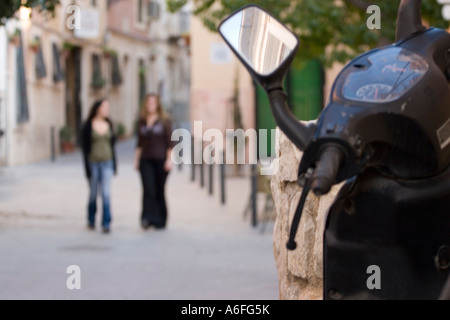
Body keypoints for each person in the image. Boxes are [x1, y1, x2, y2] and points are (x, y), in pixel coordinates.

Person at [135, 94, 173, 230]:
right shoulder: (142, 120)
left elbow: (170, 142)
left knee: (159, 190)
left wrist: (169, 160)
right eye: (148, 102)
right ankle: (147, 218)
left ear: (158, 104)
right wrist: (136, 160)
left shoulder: (164, 120)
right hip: (145, 159)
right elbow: (139, 142)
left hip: (161, 160)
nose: (150, 104)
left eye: (153, 102)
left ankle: (160, 219)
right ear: (145, 104)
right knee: (147, 189)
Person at [81, 99, 117, 234]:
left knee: (106, 193)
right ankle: (91, 220)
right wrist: (87, 168)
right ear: (97, 109)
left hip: (107, 162)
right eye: (104, 107)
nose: (106, 110)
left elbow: (112, 146)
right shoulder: (88, 125)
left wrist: (115, 165)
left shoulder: (110, 124)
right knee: (93, 193)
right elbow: (84, 148)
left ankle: (106, 223)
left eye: (108, 107)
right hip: (93, 163)